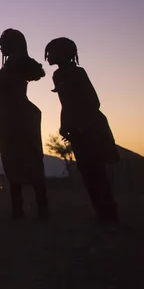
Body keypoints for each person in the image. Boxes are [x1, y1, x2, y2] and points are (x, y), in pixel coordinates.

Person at [45, 37, 119, 223]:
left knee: (94, 170)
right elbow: (66, 103)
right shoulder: (60, 75)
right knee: (89, 170)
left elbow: (92, 102)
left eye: (51, 53)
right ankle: (105, 215)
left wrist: (76, 122)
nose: (47, 57)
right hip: (80, 127)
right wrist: (66, 124)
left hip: (89, 127)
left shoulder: (74, 73)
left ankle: (108, 215)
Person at [0, 29, 48, 220]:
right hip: (15, 113)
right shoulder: (15, 63)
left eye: (3, 43)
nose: (1, 48)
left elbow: (0, 85)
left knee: (15, 160)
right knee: (25, 161)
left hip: (13, 115)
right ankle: (35, 208)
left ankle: (22, 209)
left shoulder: (13, 62)